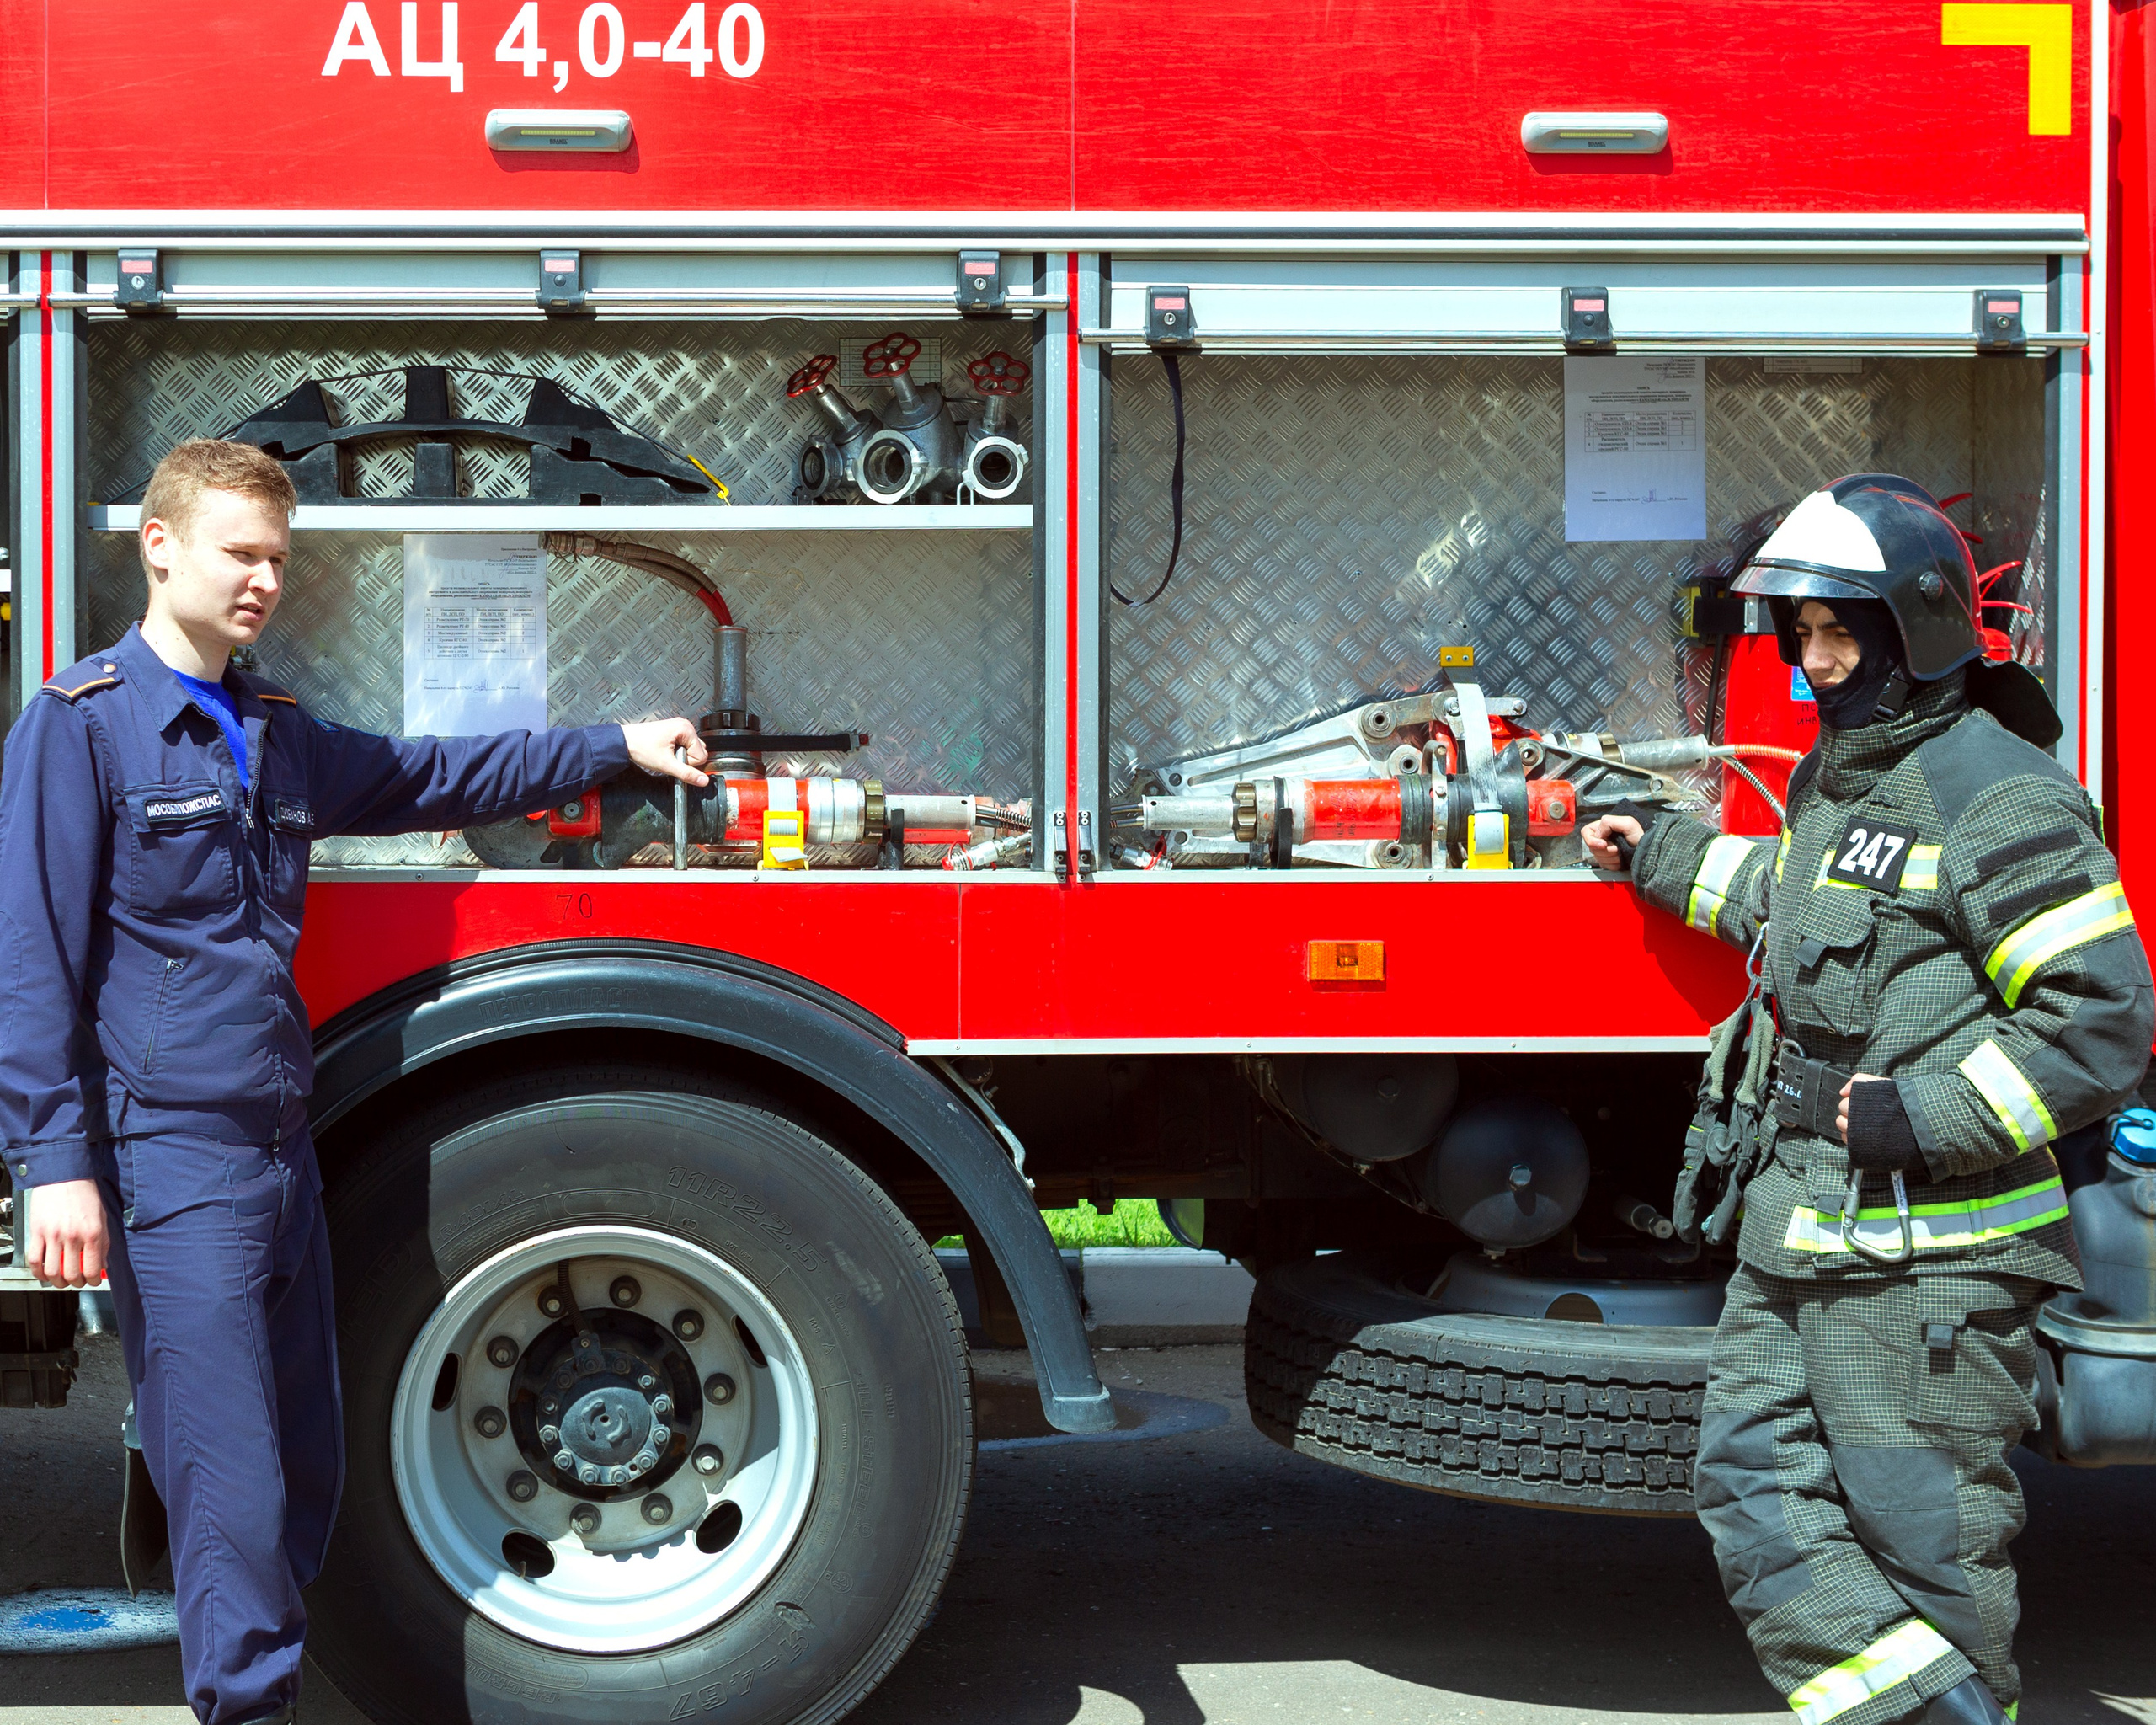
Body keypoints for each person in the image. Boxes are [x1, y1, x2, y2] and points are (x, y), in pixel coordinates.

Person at [0, 439, 712, 1725]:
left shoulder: (270, 729)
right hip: (172, 1155)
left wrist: (612, 742)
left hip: (283, 1148)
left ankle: (267, 1685)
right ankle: (248, 1707)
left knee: (310, 1472)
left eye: (279, 557)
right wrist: (52, 1164)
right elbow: (32, 954)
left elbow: (426, 773)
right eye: (239, 553)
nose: (264, 579)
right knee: (232, 1484)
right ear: (160, 547)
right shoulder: (80, 725)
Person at [1582, 473, 2153, 1725]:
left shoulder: (1999, 793)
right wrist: (1660, 851)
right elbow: (1813, 911)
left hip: (1930, 1266)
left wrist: (1930, 1115)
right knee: (1750, 1491)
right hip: (1801, 1235)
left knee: (1925, 1563)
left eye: (1844, 634)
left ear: (1922, 625)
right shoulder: (1847, 774)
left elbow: (2103, 1015)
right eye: (1805, 637)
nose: (1818, 662)